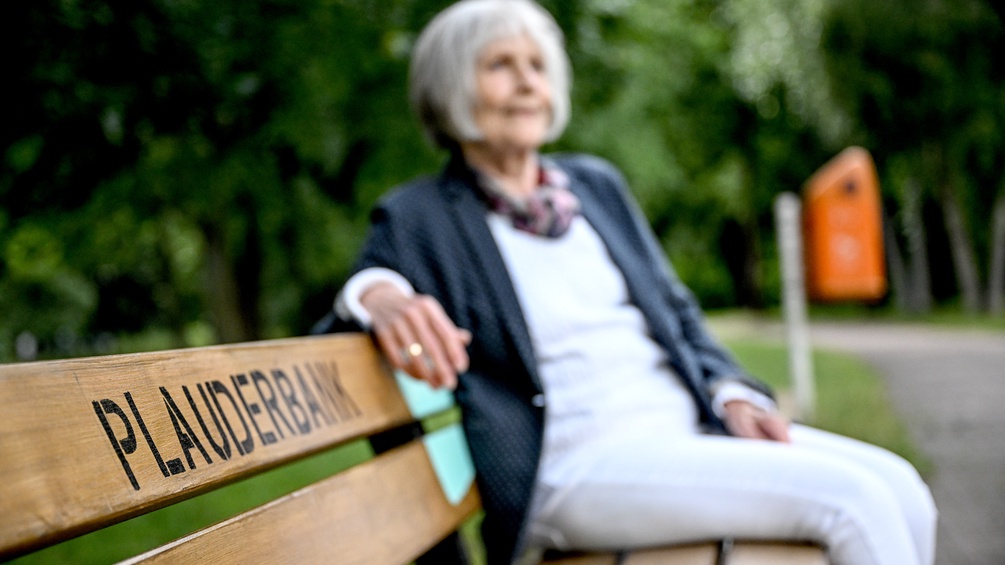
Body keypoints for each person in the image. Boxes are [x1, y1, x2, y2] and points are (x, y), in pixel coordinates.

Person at [328, 1, 937, 563]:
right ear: (451, 87)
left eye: (537, 65)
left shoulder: (595, 186)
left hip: (686, 430)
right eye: (499, 65)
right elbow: (362, 292)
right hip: (571, 465)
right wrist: (380, 296)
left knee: (903, 489)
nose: (526, 83)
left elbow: (676, 311)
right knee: (856, 500)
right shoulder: (424, 214)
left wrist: (731, 393)